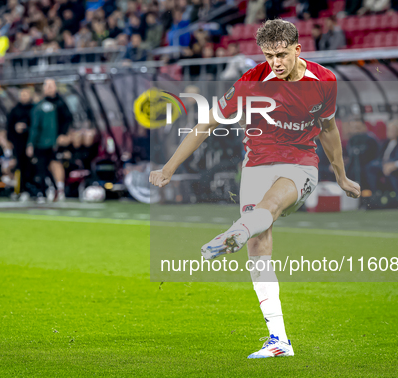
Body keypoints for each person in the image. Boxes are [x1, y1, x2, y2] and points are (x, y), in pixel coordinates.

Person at [149, 19, 360, 359]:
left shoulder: (323, 81)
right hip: (256, 166)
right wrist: (170, 167)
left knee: (272, 204)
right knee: (260, 245)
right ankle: (278, 339)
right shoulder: (251, 81)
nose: (275, 63)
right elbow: (207, 124)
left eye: (281, 55)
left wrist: (341, 175)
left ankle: (238, 230)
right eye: (268, 55)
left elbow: (328, 128)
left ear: (296, 49)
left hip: (300, 164)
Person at [27, 79, 72, 203]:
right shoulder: (40, 105)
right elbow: (35, 126)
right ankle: (49, 189)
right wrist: (32, 143)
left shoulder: (60, 103)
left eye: (51, 86)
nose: (49, 88)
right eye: (47, 86)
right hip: (42, 142)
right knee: (43, 166)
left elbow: (68, 119)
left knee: (55, 162)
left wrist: (63, 134)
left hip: (56, 140)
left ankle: (60, 189)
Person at [7, 87, 33, 199]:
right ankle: (20, 190)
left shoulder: (34, 109)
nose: (24, 97)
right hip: (18, 143)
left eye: (26, 95)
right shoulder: (14, 110)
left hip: (31, 142)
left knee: (30, 166)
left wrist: (27, 128)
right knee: (20, 166)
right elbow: (9, 127)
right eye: (22, 95)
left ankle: (31, 189)